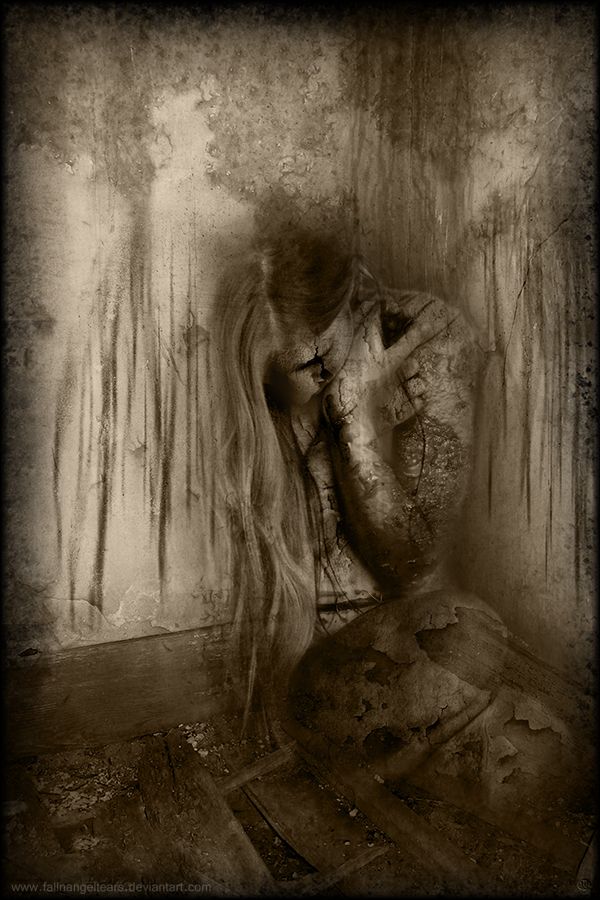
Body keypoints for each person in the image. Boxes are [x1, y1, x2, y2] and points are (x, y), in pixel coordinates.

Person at [210, 225, 491, 743]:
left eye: (318, 361)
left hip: (418, 647)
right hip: (318, 678)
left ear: (354, 290)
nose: (302, 388)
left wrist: (352, 424)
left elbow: (414, 571)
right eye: (278, 375)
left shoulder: (427, 337)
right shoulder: (252, 392)